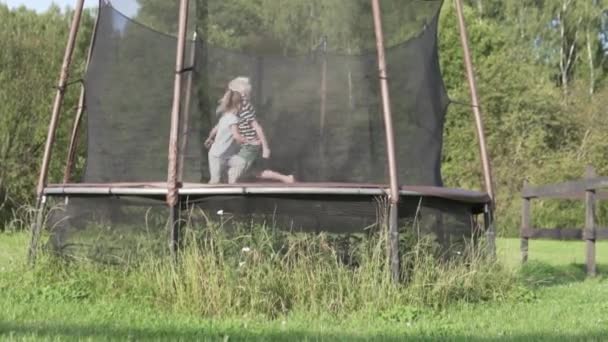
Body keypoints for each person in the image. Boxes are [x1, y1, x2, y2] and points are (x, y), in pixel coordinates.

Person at [224, 77, 295, 184]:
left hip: (250, 145)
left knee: (233, 171)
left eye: (232, 93)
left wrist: (265, 147)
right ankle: (286, 178)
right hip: (248, 144)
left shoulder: (244, 108)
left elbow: (258, 127)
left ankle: (230, 192)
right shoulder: (240, 107)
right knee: (256, 172)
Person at [204, 89, 244, 184]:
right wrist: (250, 141)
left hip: (227, 156)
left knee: (240, 162)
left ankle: (232, 177)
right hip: (217, 156)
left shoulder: (224, 117)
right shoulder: (233, 119)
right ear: (238, 105)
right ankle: (208, 194)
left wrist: (209, 138)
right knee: (215, 180)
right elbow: (236, 136)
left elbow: (214, 130)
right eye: (242, 104)